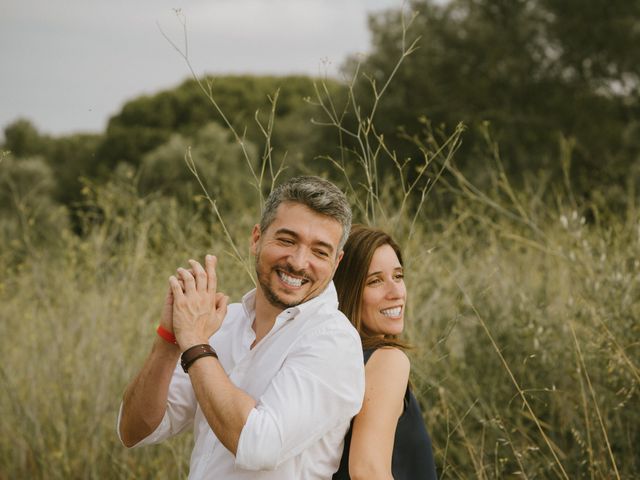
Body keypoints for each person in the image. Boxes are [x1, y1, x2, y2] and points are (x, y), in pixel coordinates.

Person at [117, 176, 365, 479]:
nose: (300, 262)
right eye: (287, 241)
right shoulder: (224, 323)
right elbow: (134, 431)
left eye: (319, 252)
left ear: (336, 262)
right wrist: (170, 340)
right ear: (256, 238)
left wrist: (195, 343)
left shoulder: (333, 341)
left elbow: (259, 445)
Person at [332, 225, 438, 480]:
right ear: (348, 289)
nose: (396, 292)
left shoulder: (333, 361)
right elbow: (367, 470)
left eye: (398, 276)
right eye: (375, 281)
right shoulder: (387, 360)